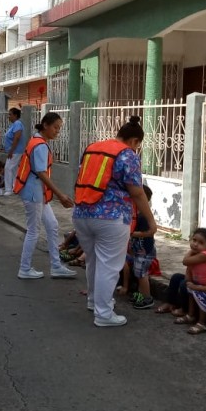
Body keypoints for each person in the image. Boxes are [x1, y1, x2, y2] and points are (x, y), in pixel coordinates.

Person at [73, 116, 157, 327]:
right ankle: (103, 314)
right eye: (138, 146)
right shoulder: (127, 154)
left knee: (93, 261)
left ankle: (94, 302)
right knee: (109, 266)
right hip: (111, 217)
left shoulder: (93, 148)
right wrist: (151, 221)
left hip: (82, 213)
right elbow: (137, 193)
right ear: (135, 141)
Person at [14, 112, 76, 280]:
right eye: (56, 127)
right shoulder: (40, 145)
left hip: (37, 193)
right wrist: (60, 195)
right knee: (34, 231)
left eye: (59, 128)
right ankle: (24, 268)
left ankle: (56, 266)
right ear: (46, 125)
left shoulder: (37, 141)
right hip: (34, 194)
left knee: (53, 225)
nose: (58, 131)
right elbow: (41, 173)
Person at [155, 228, 206, 316]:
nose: (195, 244)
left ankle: (184, 309)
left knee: (184, 284)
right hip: (195, 280)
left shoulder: (205, 255)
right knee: (176, 277)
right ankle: (170, 303)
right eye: (194, 240)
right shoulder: (197, 253)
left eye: (201, 243)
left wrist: (191, 250)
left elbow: (185, 261)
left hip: (204, 285)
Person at [128, 184, 157, 310]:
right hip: (139, 250)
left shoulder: (144, 217)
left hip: (145, 251)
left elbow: (149, 232)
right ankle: (141, 294)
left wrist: (131, 233)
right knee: (138, 272)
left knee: (141, 274)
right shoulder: (134, 214)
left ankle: (147, 297)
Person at [3, 107, 26, 196]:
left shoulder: (17, 124)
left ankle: (9, 189)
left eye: (10, 114)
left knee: (8, 168)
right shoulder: (13, 124)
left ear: (15, 115)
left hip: (15, 151)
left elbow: (17, 137)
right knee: (14, 169)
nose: (9, 116)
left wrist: (11, 150)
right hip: (14, 151)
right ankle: (15, 187)